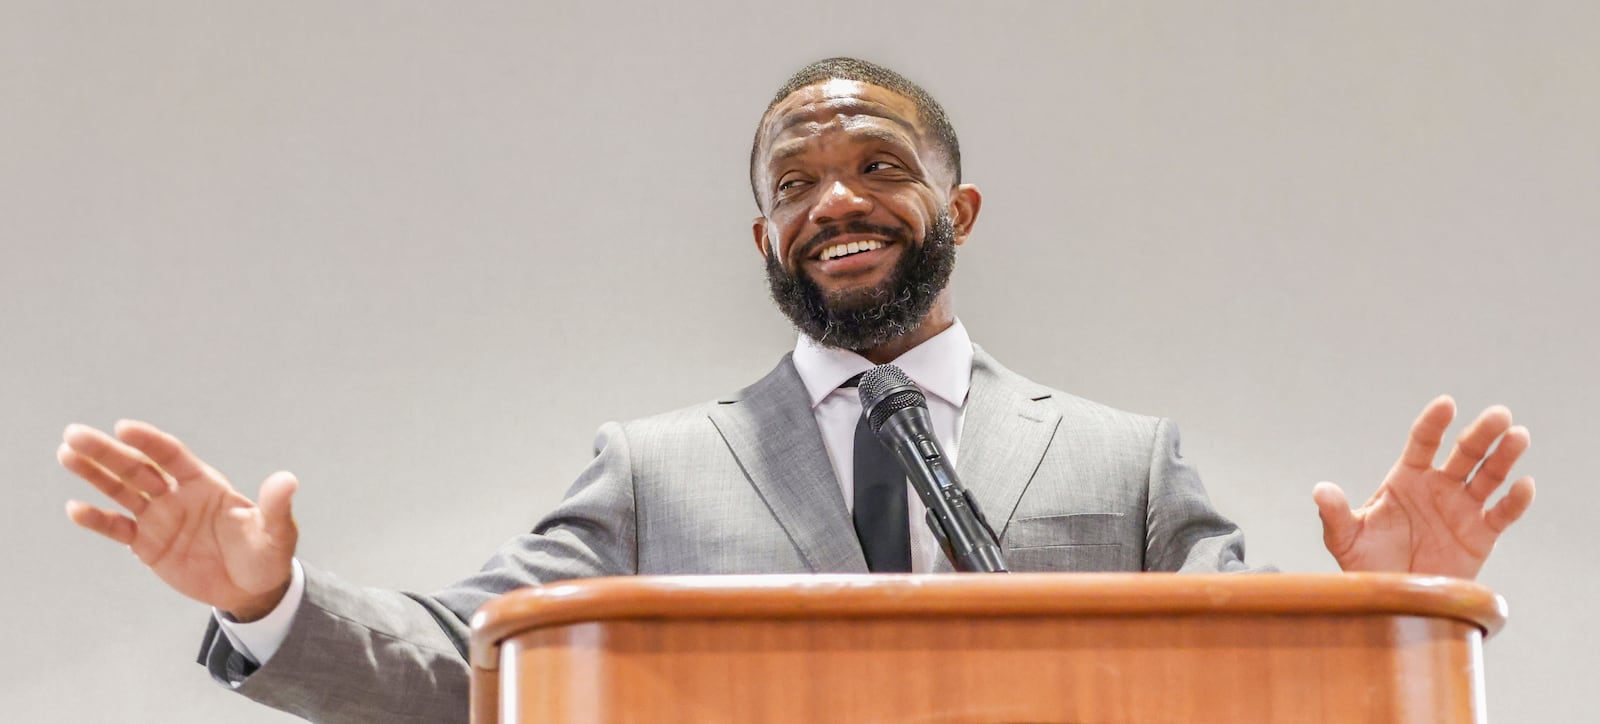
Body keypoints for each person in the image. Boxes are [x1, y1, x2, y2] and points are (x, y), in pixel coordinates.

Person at [57, 58, 1537, 724]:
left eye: (880, 163)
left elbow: (1254, 684)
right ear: (765, 239)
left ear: (960, 210)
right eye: (795, 183)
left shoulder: (1130, 463)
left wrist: (1382, 611)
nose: (836, 198)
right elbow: (474, 664)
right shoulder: (650, 472)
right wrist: (270, 601)